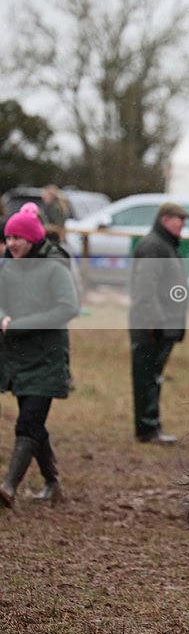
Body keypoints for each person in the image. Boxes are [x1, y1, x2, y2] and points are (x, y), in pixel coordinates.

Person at [0, 207, 79, 507]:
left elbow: (67, 308)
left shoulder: (55, 268)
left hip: (47, 359)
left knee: (28, 423)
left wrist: (19, 324)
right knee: (34, 423)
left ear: (32, 238)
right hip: (17, 359)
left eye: (18, 237)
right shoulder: (8, 267)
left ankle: (8, 487)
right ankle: (52, 483)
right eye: (8, 237)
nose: (12, 243)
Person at [128, 202, 189, 444]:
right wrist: (155, 323)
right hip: (151, 328)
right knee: (147, 379)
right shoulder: (154, 245)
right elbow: (145, 290)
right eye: (179, 219)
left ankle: (151, 425)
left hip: (160, 326)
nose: (182, 224)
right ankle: (147, 429)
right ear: (165, 219)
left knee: (152, 377)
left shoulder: (164, 244)